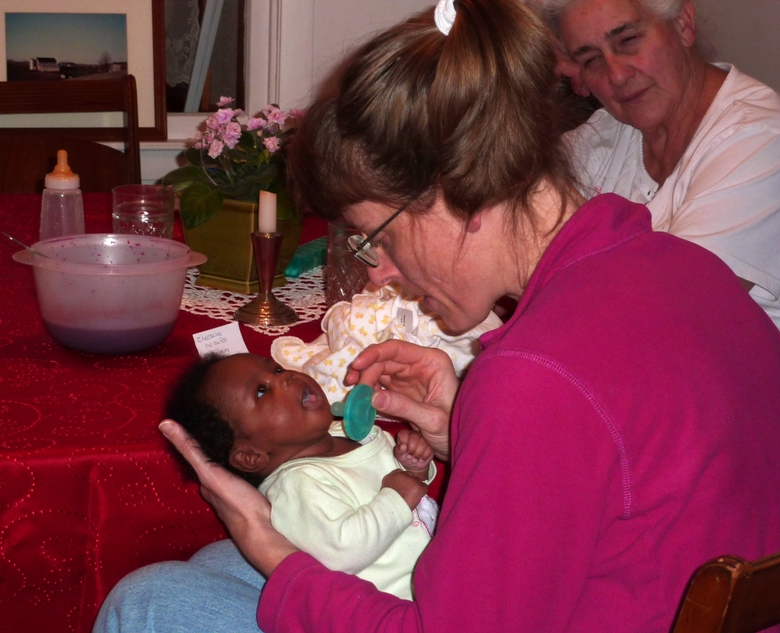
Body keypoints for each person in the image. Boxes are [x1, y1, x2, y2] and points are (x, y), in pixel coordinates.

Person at [94, 0, 780, 632]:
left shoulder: (534, 377)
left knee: (152, 598)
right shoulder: (681, 268)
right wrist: (467, 426)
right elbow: (611, 460)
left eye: (379, 237)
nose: (380, 272)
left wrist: (278, 554)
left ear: (460, 190)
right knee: (221, 563)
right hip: (628, 590)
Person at [535, 0, 780, 327]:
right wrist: (530, 81)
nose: (617, 75)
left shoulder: (761, 142)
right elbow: (504, 219)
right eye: (592, 59)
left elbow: (667, 312)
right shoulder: (608, 131)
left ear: (683, 25)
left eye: (628, 41)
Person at [164, 352, 437, 601]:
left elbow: (413, 490)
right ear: (251, 455)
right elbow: (341, 551)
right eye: (262, 391)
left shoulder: (352, 434)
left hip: (445, 566)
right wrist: (398, 498)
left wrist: (415, 467)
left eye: (278, 370)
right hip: (400, 602)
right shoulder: (296, 486)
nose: (286, 379)